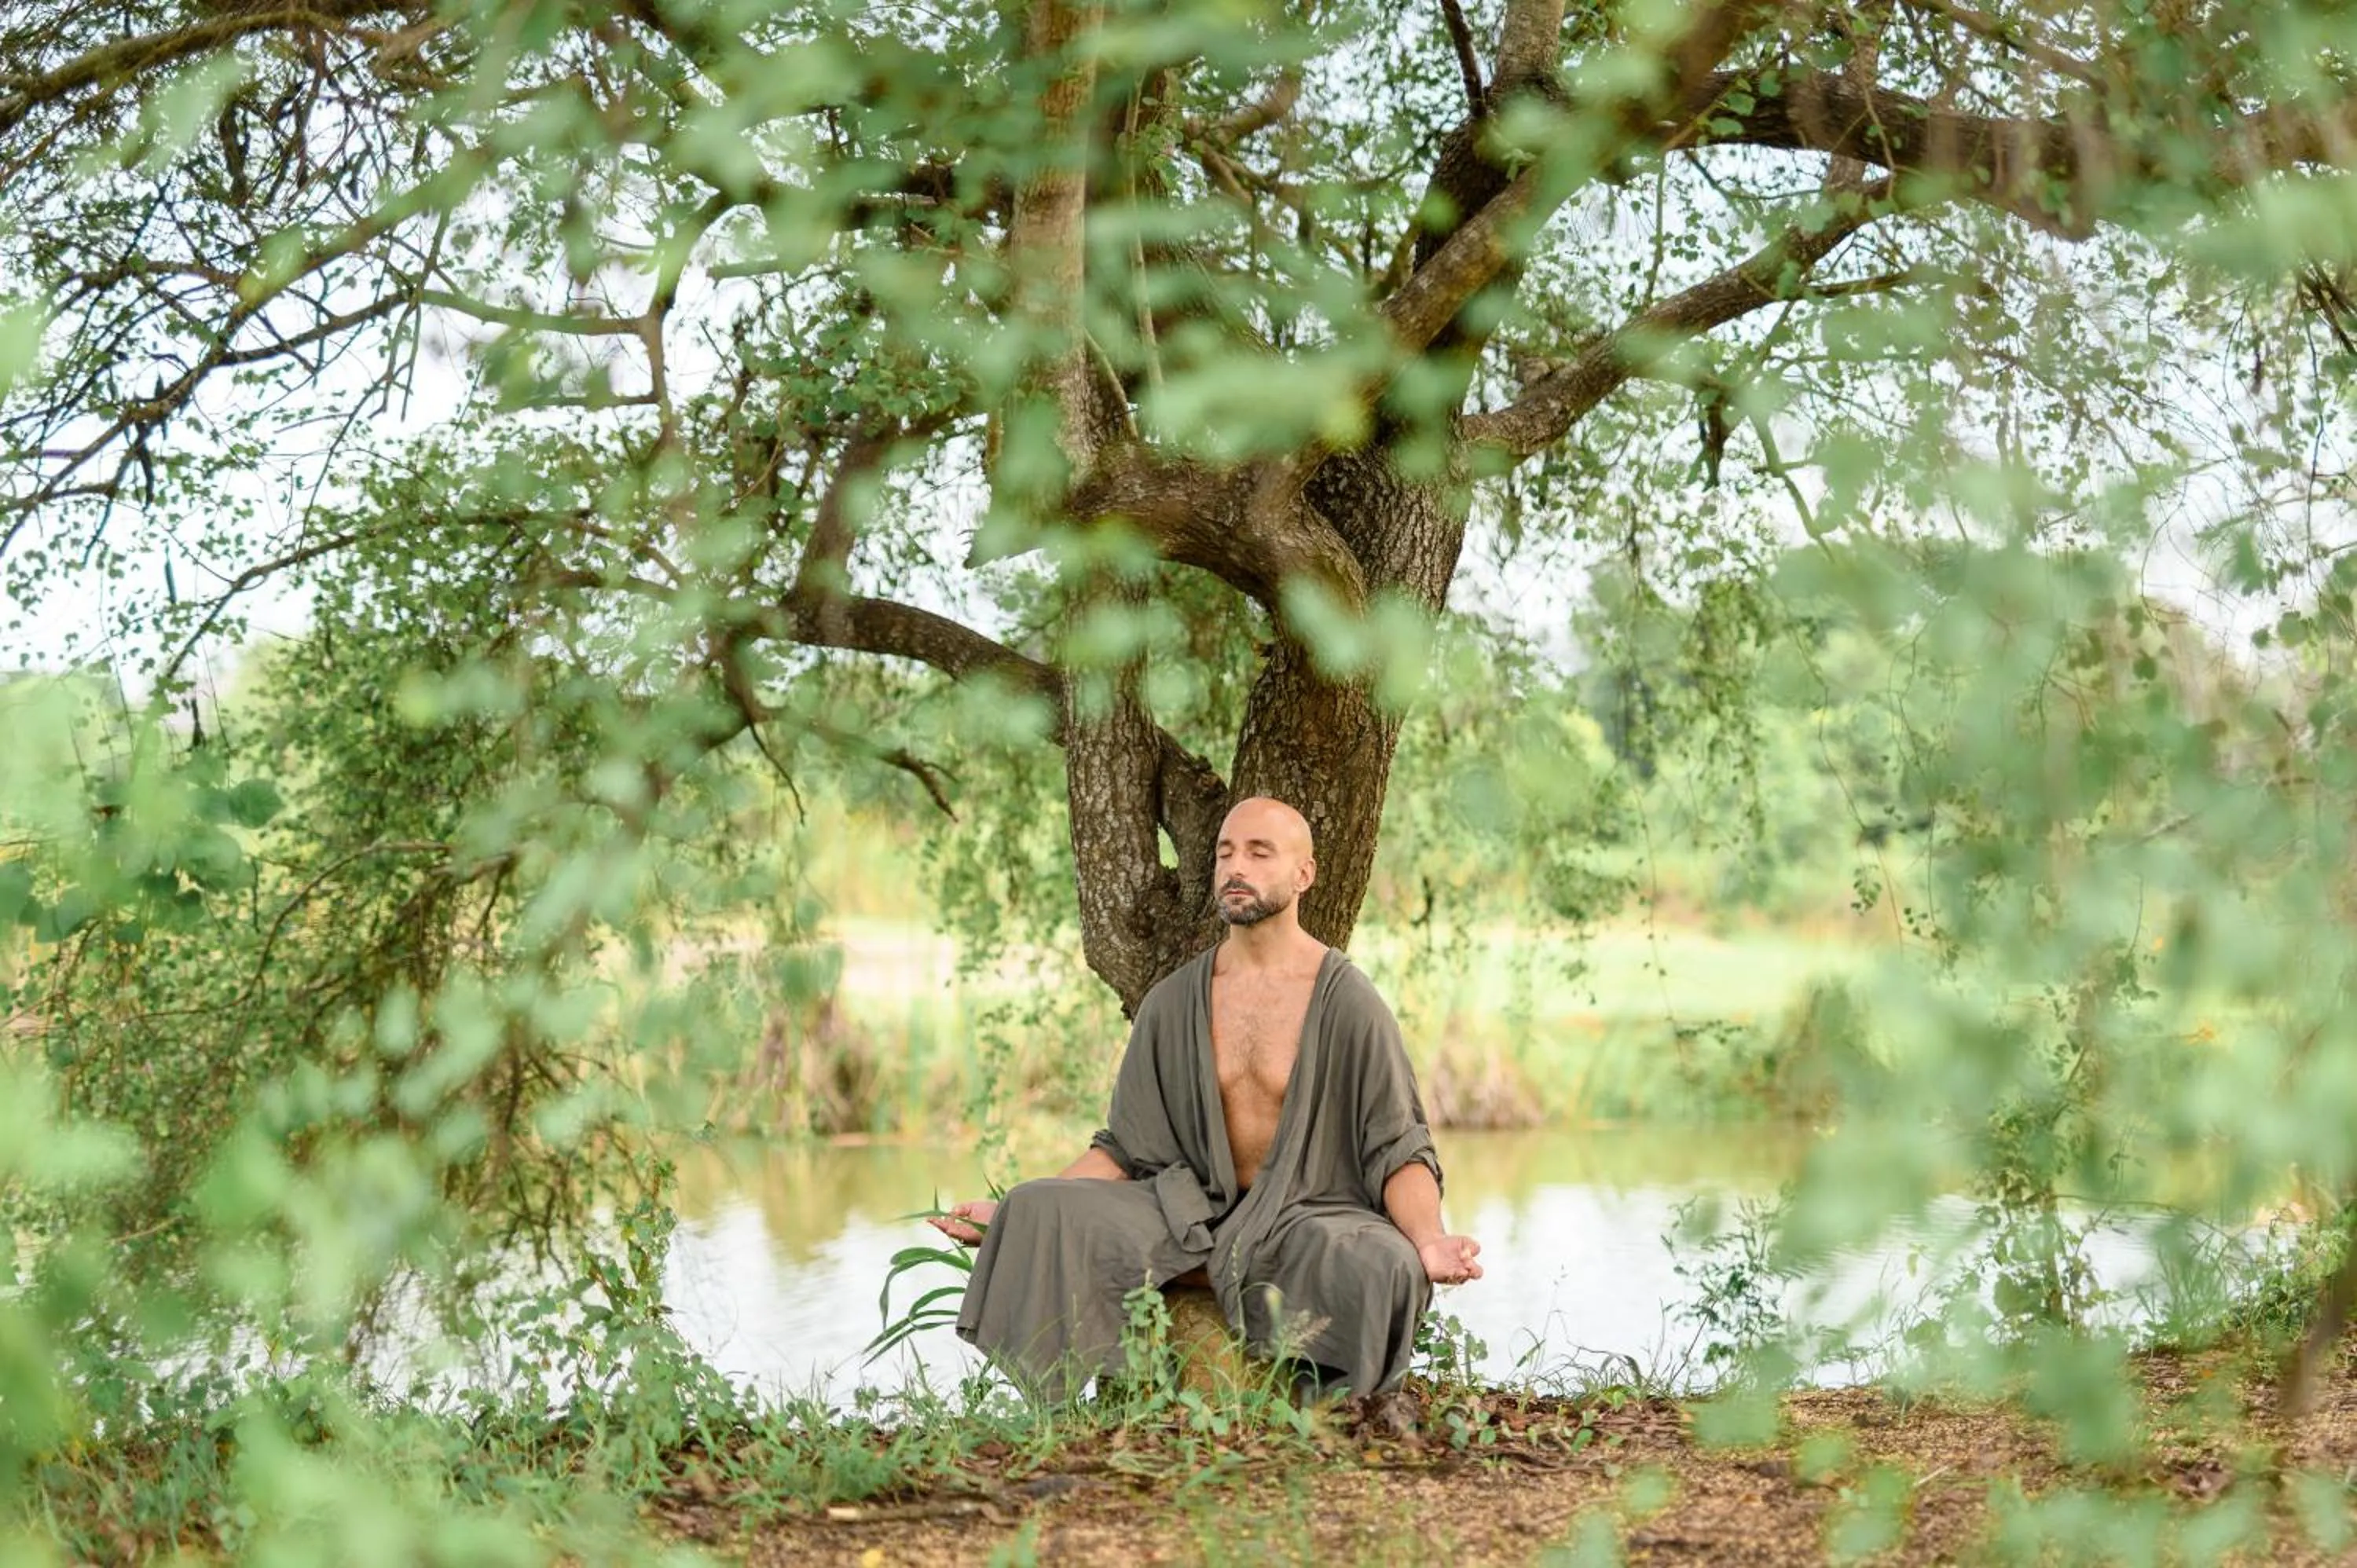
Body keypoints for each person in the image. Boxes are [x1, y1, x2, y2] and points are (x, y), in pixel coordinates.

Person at [930, 795, 1481, 1401]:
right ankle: (1144, 1338)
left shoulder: (1348, 1002)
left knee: (1387, 1264)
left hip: (1303, 1224)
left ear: (1305, 874)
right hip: (1185, 1221)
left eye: (1259, 853)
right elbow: (1122, 1151)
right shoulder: (1173, 1002)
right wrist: (1008, 1215)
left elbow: (1399, 1148)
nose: (1235, 867)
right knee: (1037, 1206)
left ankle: (1331, 1402)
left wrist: (1429, 1241)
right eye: (1225, 853)